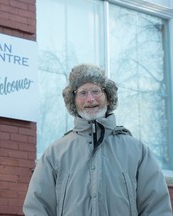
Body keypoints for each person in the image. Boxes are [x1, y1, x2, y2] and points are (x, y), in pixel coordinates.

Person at [23, 64, 173, 215]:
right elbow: (37, 208)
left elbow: (157, 208)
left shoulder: (138, 151)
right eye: (82, 93)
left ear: (108, 98)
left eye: (96, 91)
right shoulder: (55, 154)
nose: (90, 99)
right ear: (73, 101)